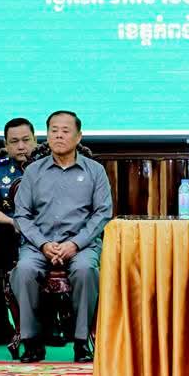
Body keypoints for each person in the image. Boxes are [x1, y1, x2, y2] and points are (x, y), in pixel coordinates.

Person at [11, 111, 113, 363]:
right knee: (24, 270)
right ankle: (32, 342)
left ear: (79, 137)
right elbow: (22, 215)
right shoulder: (33, 171)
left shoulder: (95, 171)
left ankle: (81, 342)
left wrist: (75, 244)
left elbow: (102, 213)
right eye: (53, 130)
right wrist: (43, 244)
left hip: (81, 244)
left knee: (86, 270)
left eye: (65, 131)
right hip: (38, 244)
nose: (58, 135)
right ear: (47, 136)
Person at [0, 117, 37, 345]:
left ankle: (47, 326)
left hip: (42, 231)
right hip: (8, 229)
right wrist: (14, 223)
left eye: (26, 140)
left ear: (35, 140)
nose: (21, 146)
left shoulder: (46, 166)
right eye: (14, 141)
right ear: (6, 144)